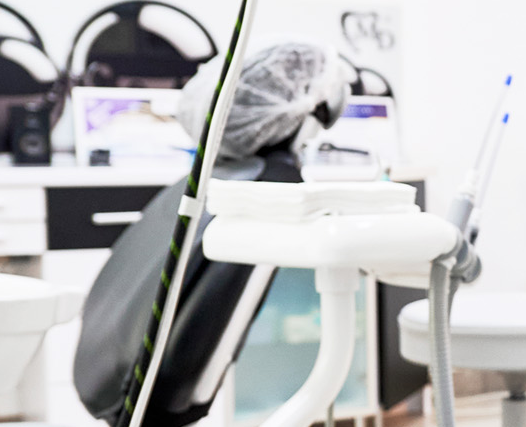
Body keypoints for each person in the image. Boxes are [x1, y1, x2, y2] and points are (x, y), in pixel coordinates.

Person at [73, 42, 355, 427]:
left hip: (109, 379)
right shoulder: (268, 184)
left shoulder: (213, 179)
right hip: (144, 397)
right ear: (307, 108)